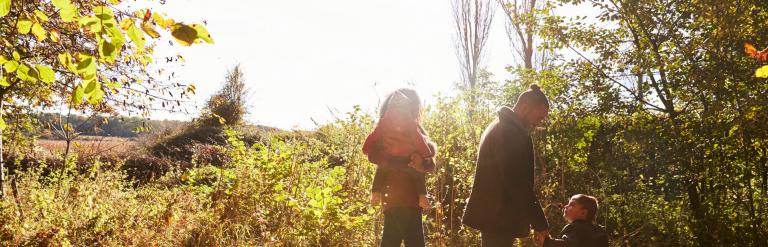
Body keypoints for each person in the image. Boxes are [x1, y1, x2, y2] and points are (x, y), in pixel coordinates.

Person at [462, 84, 551, 246]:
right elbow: (517, 182)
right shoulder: (509, 133)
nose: (538, 123)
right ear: (525, 108)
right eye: (538, 118)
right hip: (497, 217)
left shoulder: (502, 126)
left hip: (496, 216)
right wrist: (539, 223)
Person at [363, 88, 437, 247]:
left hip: (410, 199)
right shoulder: (385, 131)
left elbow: (430, 161)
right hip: (395, 198)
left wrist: (421, 162)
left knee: (408, 240)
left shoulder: (415, 130)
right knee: (400, 240)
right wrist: (390, 160)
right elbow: (372, 155)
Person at [544, 194, 609, 247]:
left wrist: (547, 242)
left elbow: (567, 244)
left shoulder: (573, 228)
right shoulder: (599, 231)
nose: (566, 206)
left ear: (583, 212)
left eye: (571, 205)